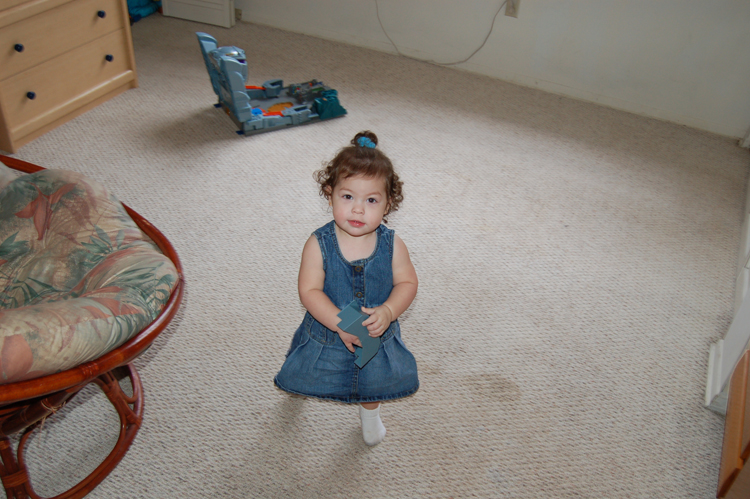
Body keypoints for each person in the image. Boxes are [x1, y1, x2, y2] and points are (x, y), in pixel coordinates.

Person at [274, 131, 419, 446]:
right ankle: (298, 380)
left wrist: (389, 310)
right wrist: (340, 322)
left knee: (375, 382)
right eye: (347, 196)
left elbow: (408, 282)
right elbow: (309, 291)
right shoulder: (317, 244)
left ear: (388, 203)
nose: (357, 210)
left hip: (374, 334)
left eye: (371, 200)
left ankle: (370, 419)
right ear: (330, 193)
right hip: (328, 330)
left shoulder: (393, 245)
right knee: (305, 370)